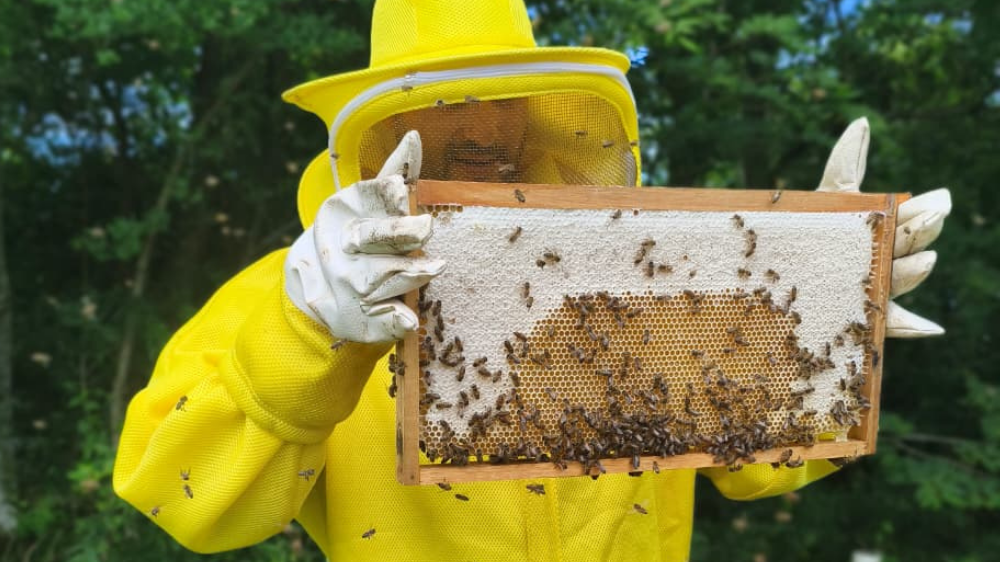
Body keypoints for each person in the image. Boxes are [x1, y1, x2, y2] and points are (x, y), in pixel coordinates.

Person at [112, 1, 952, 560]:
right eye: (446, 104)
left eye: (502, 97)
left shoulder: (642, 282)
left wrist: (819, 326)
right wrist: (302, 333)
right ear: (381, 122)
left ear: (543, 107)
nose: (479, 128)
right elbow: (180, 498)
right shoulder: (298, 292)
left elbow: (757, 464)